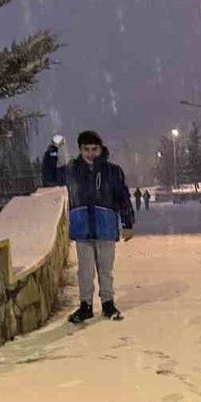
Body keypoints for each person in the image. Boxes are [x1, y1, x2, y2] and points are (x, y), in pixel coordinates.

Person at [66, 130, 135, 323]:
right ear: (80, 150)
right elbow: (49, 177)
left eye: (94, 149)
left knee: (105, 270)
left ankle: (108, 303)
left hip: (105, 226)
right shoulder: (73, 169)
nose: (90, 153)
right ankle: (85, 306)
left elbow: (123, 197)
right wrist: (53, 150)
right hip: (82, 228)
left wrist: (127, 223)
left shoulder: (112, 171)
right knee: (85, 271)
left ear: (100, 148)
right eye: (86, 149)